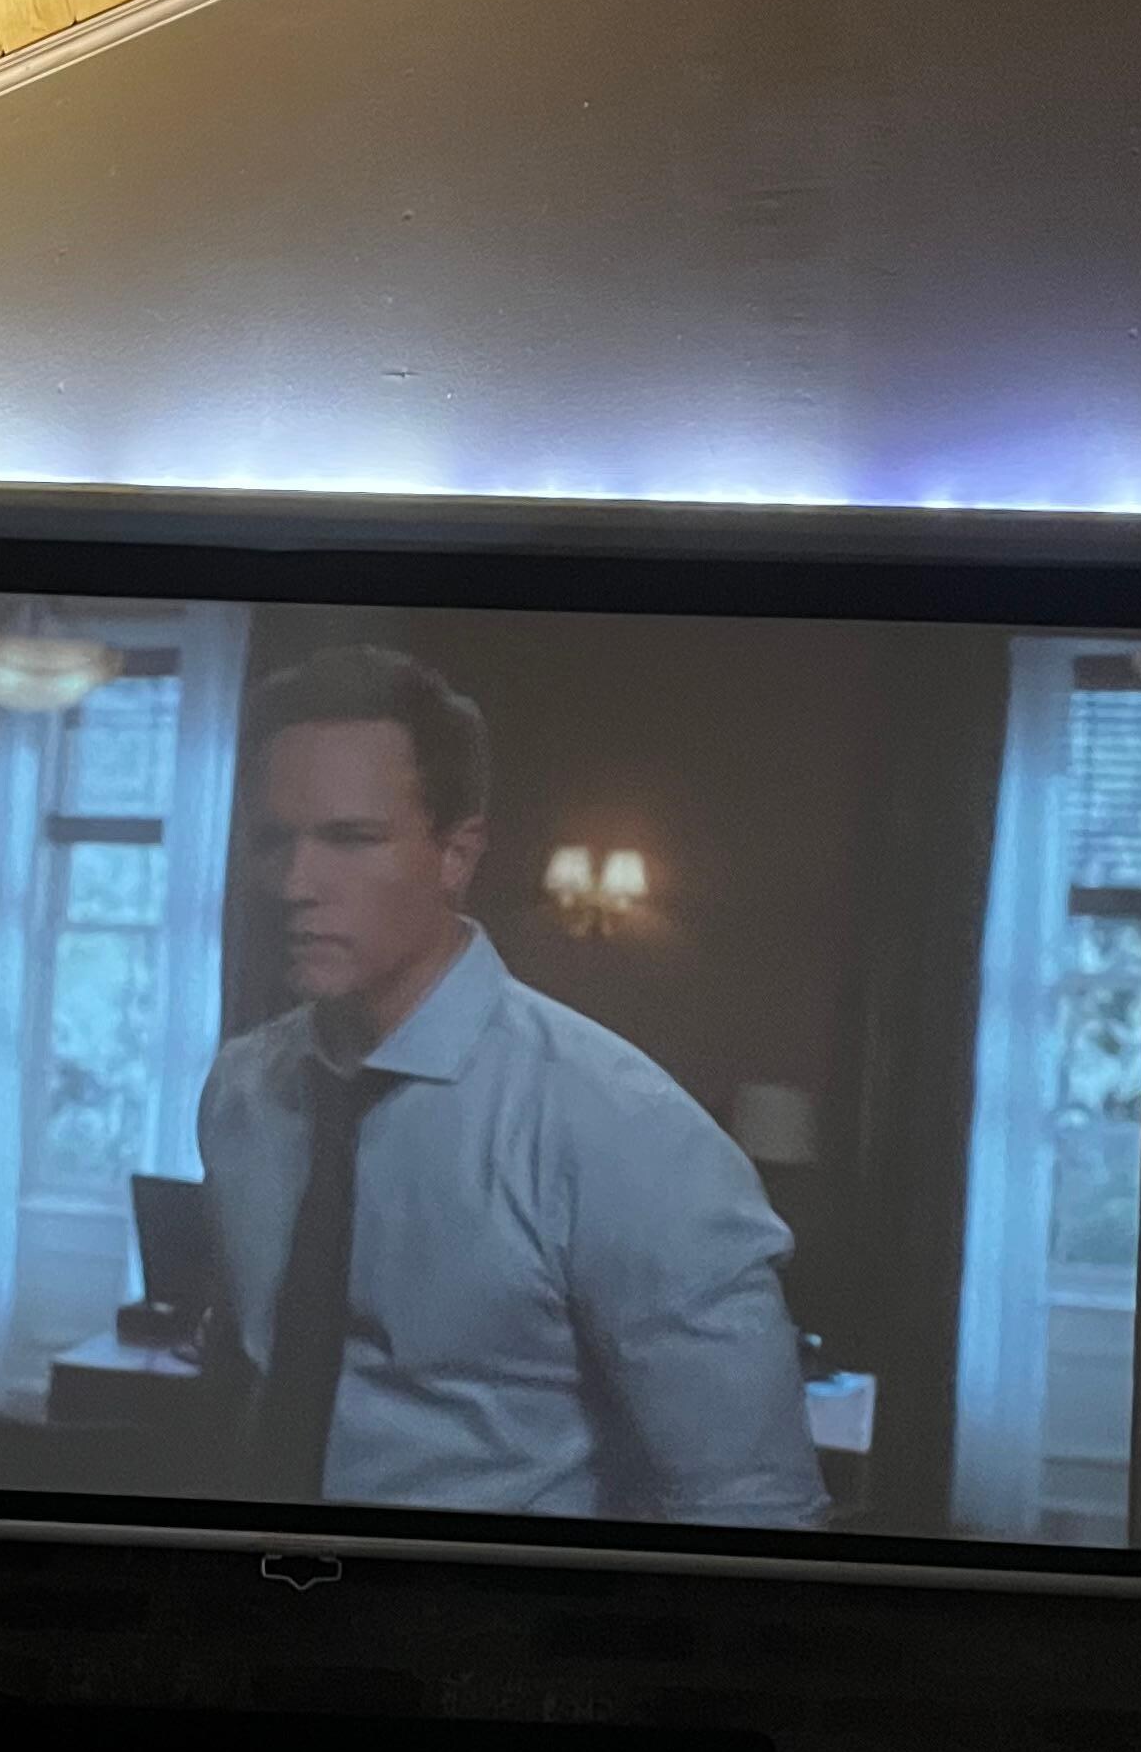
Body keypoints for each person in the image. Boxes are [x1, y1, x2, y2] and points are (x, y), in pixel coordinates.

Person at [195, 644, 827, 1527]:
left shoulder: (623, 1130)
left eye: (350, 839)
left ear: (455, 855)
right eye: (274, 840)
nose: (295, 884)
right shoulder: (244, 1091)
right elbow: (247, 1382)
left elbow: (747, 1504)